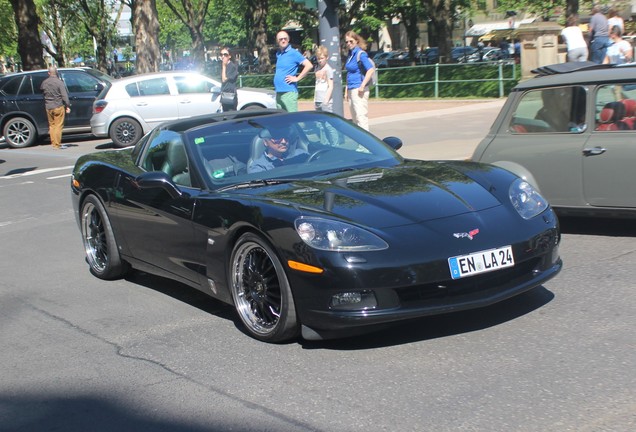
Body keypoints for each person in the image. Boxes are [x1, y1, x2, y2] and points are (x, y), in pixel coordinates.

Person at [273, 30, 313, 112]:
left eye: (285, 38)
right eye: (280, 39)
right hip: (279, 92)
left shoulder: (294, 53)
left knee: (292, 119)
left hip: (289, 92)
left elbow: (309, 65)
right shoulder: (279, 54)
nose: (283, 41)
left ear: (288, 39)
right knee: (281, 119)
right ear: (277, 41)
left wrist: (297, 78)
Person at [344, 30, 375, 131]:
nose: (348, 44)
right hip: (351, 88)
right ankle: (360, 143)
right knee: (355, 118)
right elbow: (349, 73)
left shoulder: (360, 54)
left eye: (351, 41)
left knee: (361, 117)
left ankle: (366, 143)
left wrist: (362, 85)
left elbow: (370, 70)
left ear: (357, 41)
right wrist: (346, 90)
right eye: (347, 42)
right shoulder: (350, 55)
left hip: (359, 89)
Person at [40, 65, 71, 150]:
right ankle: (57, 144)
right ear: (56, 72)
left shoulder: (44, 82)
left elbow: (42, 92)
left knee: (52, 125)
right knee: (58, 126)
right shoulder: (59, 82)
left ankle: (54, 143)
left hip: (48, 106)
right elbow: (64, 95)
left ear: (48, 73)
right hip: (58, 106)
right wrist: (67, 105)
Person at [313, 45, 334, 112]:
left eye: (322, 58)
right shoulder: (317, 68)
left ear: (326, 57)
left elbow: (330, 86)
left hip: (325, 101)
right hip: (317, 100)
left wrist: (326, 100)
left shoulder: (328, 69)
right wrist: (315, 99)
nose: (320, 60)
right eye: (318, 58)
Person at [220, 47, 238, 111]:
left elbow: (224, 79)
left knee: (231, 116)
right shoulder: (224, 66)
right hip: (224, 95)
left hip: (230, 96)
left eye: (225, 55)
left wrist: (224, 66)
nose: (223, 56)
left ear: (229, 56)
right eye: (221, 54)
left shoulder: (232, 66)